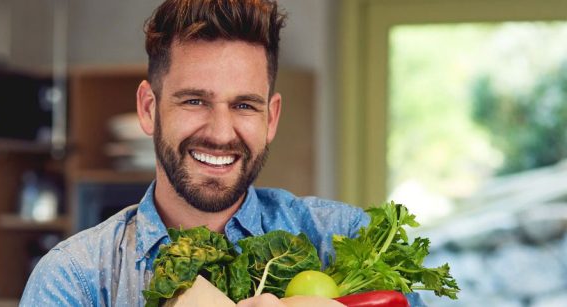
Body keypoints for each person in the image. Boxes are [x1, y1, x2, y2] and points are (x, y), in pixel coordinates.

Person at [21, 0, 424, 306]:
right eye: (195, 101)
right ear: (148, 108)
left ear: (271, 117)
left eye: (244, 105)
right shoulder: (76, 279)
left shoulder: (342, 239)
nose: (219, 132)